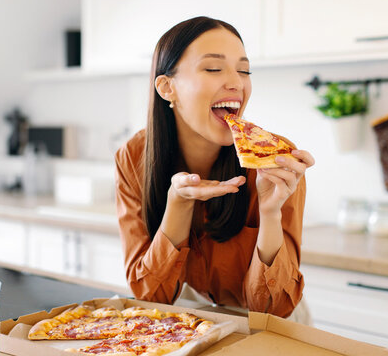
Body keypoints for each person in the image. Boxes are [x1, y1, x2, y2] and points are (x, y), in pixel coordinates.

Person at [114, 16, 314, 319]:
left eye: (244, 70)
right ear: (167, 87)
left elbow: (274, 311)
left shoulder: (273, 161)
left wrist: (270, 213)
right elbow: (151, 296)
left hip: (272, 326)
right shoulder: (134, 157)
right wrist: (177, 205)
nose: (236, 82)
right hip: (196, 317)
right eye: (213, 68)